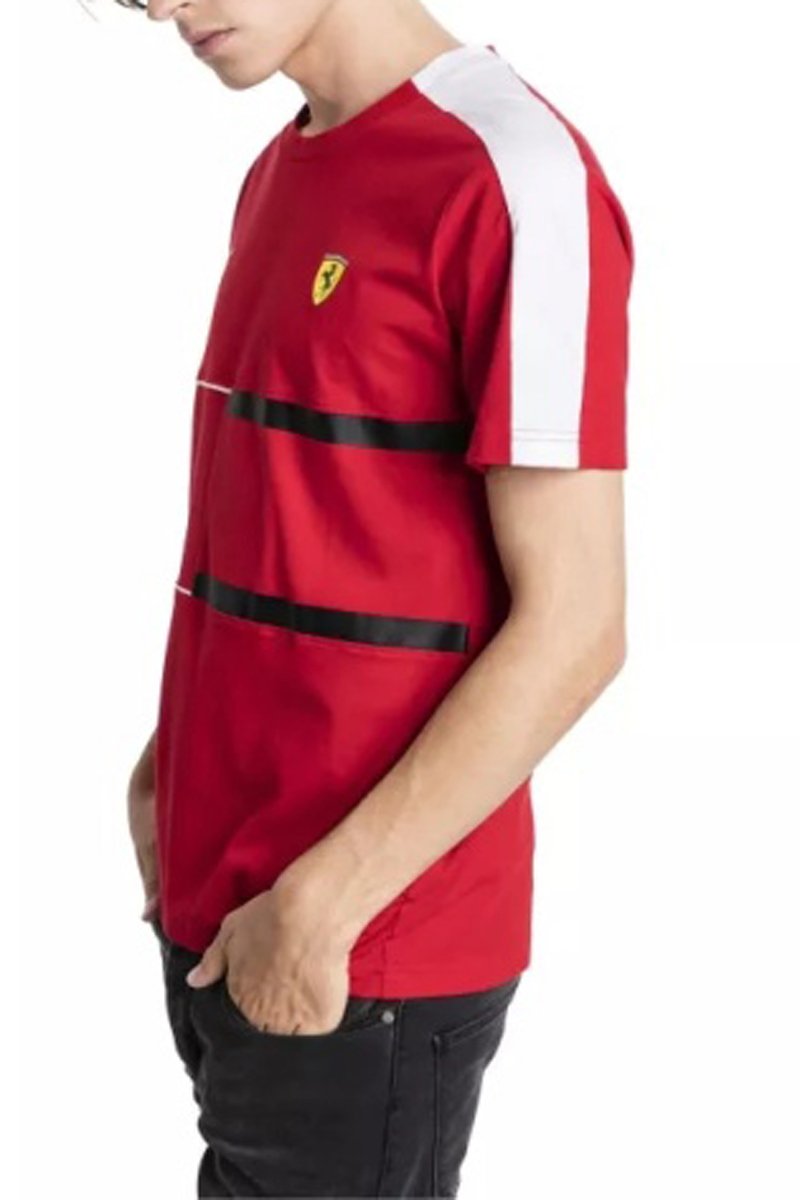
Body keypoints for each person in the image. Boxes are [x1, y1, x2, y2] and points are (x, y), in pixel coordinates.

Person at [124, 1, 634, 1195]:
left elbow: (577, 626)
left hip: (360, 942)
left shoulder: (510, 173)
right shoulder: (281, 168)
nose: (160, 4)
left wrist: (320, 906)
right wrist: (163, 774)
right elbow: (299, 527)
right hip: (221, 897)